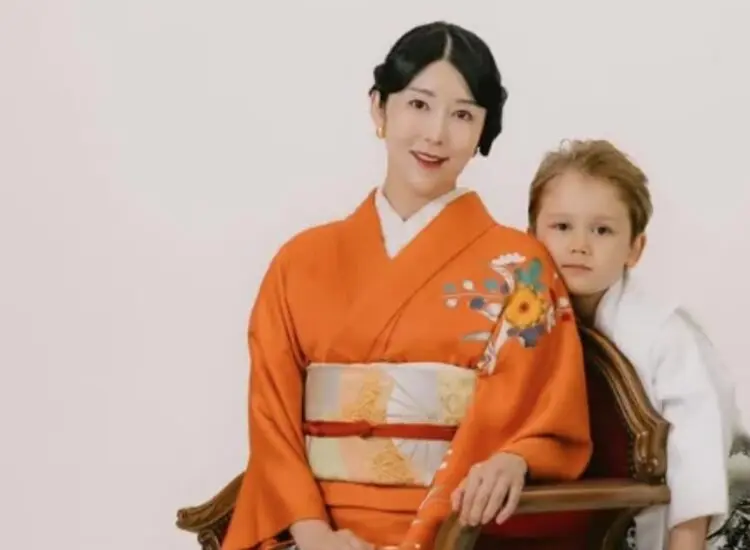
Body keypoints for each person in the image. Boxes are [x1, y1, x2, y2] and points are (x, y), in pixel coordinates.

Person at [221, 21, 592, 550]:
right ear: (380, 109)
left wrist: (513, 459)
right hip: (311, 531)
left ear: (484, 131)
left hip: (456, 531)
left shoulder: (521, 269)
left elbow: (540, 417)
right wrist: (314, 535)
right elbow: (271, 420)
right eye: (419, 105)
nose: (436, 134)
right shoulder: (298, 262)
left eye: (463, 115)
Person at [527, 138, 749, 550]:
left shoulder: (662, 333)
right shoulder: (524, 317)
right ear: (530, 235)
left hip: (721, 507)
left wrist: (685, 543)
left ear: (635, 248)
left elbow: (698, 451)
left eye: (602, 230)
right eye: (562, 227)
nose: (579, 244)